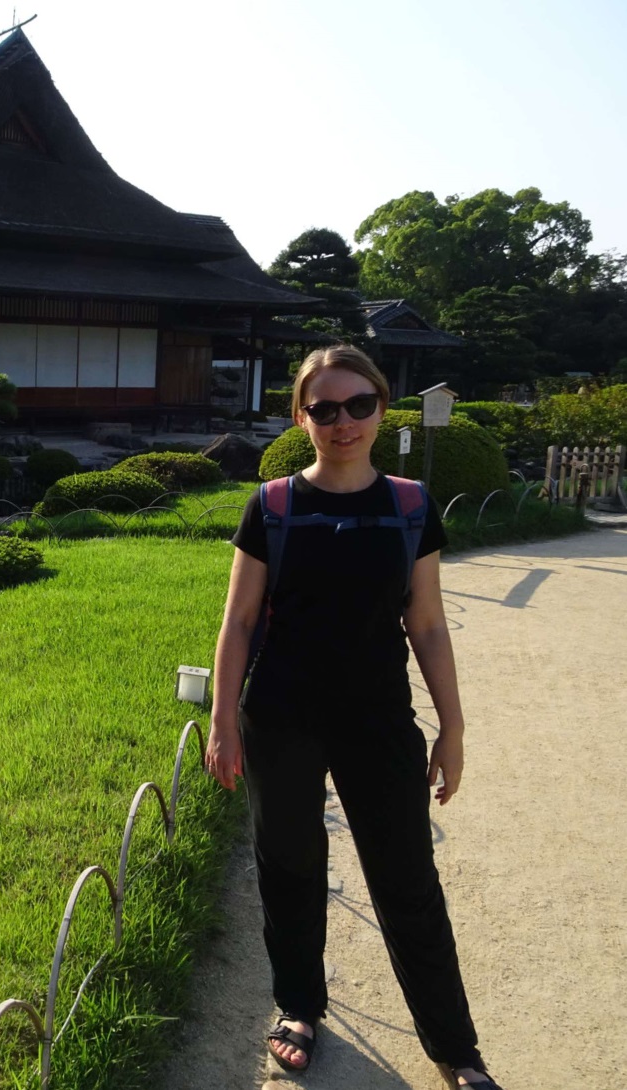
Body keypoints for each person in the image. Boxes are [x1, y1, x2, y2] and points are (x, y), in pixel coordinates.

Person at [204, 345, 502, 1088]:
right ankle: (300, 1005)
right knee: (291, 866)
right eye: (324, 409)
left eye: (358, 405)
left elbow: (427, 626)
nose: (343, 423)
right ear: (302, 417)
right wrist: (222, 720)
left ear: (381, 406)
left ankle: (455, 1047)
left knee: (407, 878)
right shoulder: (273, 505)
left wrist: (453, 728)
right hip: (281, 712)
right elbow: (238, 622)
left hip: (377, 717)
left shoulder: (408, 506)